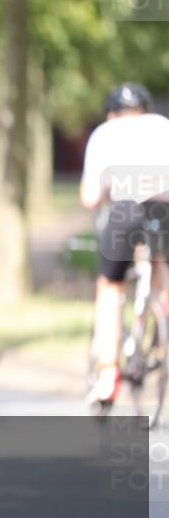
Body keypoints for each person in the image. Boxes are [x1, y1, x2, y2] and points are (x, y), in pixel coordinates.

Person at [80, 82, 169, 405]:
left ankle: (107, 375)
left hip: (126, 209)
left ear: (111, 113)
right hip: (166, 209)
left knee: (111, 286)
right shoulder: (163, 126)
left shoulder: (105, 133)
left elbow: (89, 198)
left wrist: (106, 192)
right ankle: (159, 325)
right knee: (159, 269)